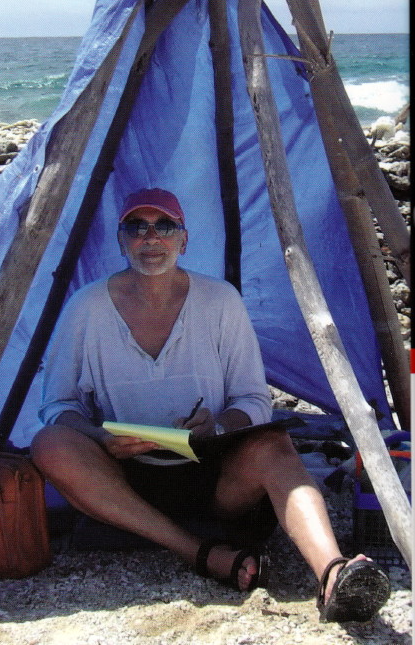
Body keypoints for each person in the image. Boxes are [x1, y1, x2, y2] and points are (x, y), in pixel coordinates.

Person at [31, 187, 390, 623]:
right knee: (50, 443)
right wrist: (100, 437)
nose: (151, 237)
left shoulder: (220, 301)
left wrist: (216, 428)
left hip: (212, 471)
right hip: (123, 475)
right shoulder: (86, 308)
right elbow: (59, 405)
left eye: (165, 226)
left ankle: (333, 572)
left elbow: (253, 399)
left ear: (184, 240)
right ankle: (197, 551)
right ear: (121, 240)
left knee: (274, 445)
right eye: (137, 227)